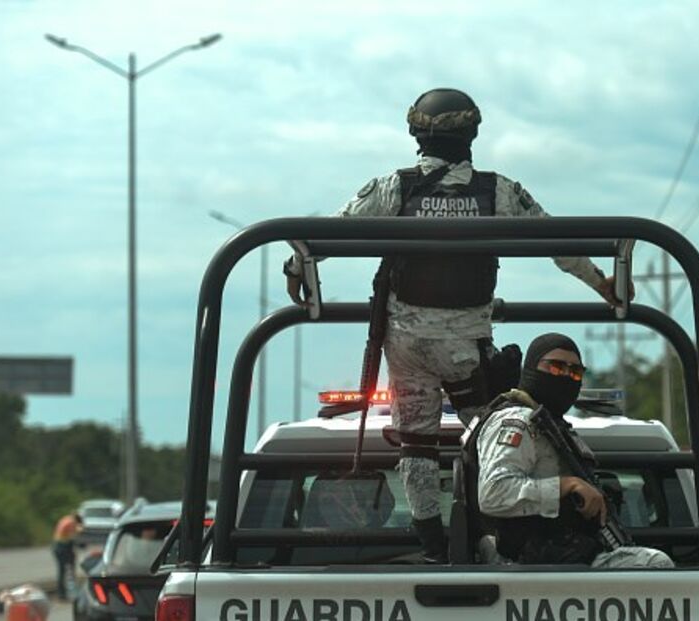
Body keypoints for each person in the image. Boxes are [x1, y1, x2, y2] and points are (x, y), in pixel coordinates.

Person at [284, 88, 629, 562]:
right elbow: (558, 241)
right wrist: (602, 284)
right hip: (467, 347)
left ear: (416, 134)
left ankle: (434, 549)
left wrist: (297, 267)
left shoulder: (393, 188)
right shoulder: (499, 191)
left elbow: (330, 232)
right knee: (494, 433)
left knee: (417, 444)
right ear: (472, 134)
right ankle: (502, 532)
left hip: (404, 345)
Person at [472, 333, 673, 567]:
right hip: (527, 561)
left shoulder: (553, 426)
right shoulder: (517, 420)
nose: (567, 376)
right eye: (556, 368)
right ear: (531, 368)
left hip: (568, 556)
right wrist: (568, 485)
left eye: (576, 372)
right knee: (654, 564)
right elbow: (494, 493)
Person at [51, 512, 83, 600]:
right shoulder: (72, 523)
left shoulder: (66, 519)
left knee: (62, 571)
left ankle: (62, 593)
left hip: (57, 545)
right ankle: (65, 593)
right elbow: (74, 537)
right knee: (68, 571)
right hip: (63, 547)